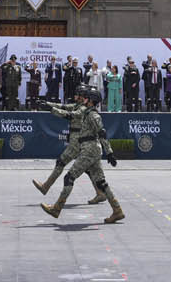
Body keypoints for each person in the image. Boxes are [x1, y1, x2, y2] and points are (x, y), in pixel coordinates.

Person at [39, 88, 124, 224]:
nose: (84, 99)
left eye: (86, 98)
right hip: (90, 149)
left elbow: (102, 133)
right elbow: (68, 112)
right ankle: (117, 210)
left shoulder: (93, 115)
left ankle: (57, 208)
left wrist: (110, 152)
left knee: (69, 177)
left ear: (91, 101)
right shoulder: (87, 112)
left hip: (90, 150)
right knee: (101, 182)